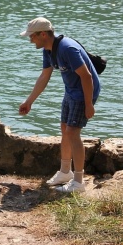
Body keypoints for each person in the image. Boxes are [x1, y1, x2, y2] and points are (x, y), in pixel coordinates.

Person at [19, 17, 101, 193]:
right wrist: (29, 101)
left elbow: (87, 77)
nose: (30, 40)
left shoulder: (67, 49)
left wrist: (89, 104)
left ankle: (79, 182)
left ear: (43, 34)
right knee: (64, 128)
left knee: (72, 132)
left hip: (84, 91)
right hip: (71, 90)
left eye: (32, 36)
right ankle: (65, 172)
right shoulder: (48, 50)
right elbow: (44, 77)